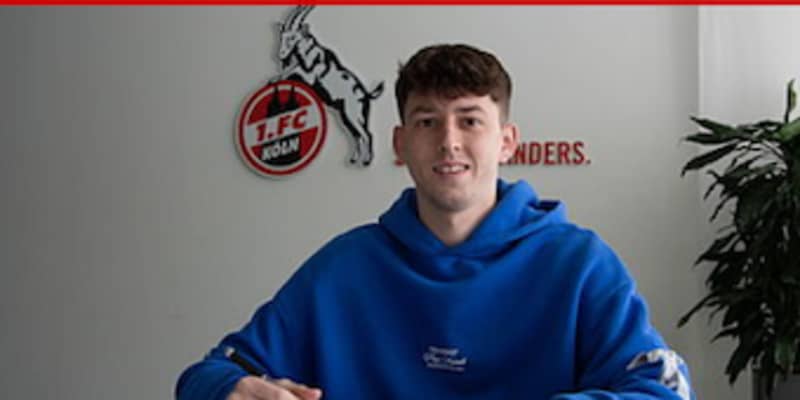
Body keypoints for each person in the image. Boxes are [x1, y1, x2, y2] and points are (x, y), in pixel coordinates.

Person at [176, 43, 694, 400]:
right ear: (401, 144)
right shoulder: (343, 269)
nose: (449, 141)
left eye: (470, 120)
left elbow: (663, 388)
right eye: (427, 121)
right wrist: (231, 389)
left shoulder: (580, 264)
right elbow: (208, 375)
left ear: (506, 142)